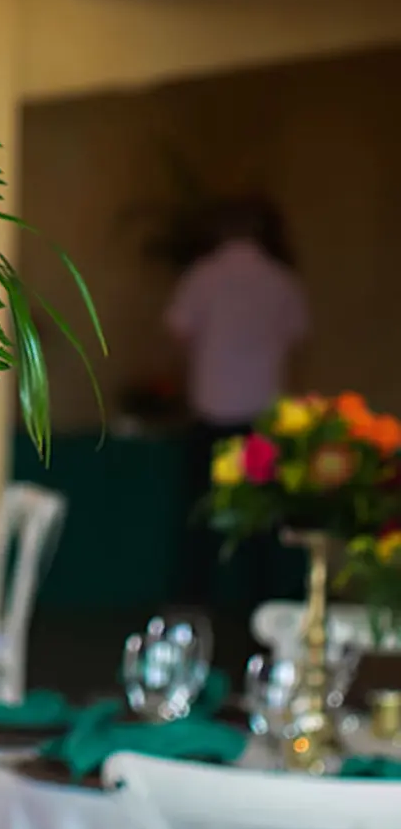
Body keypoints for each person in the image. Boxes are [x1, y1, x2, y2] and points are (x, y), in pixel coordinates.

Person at [165, 199, 310, 602]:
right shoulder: (280, 280)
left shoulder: (203, 277)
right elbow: (297, 338)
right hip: (264, 417)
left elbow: (179, 331)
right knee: (264, 526)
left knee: (201, 521)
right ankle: (266, 612)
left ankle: (192, 610)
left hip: (213, 412)